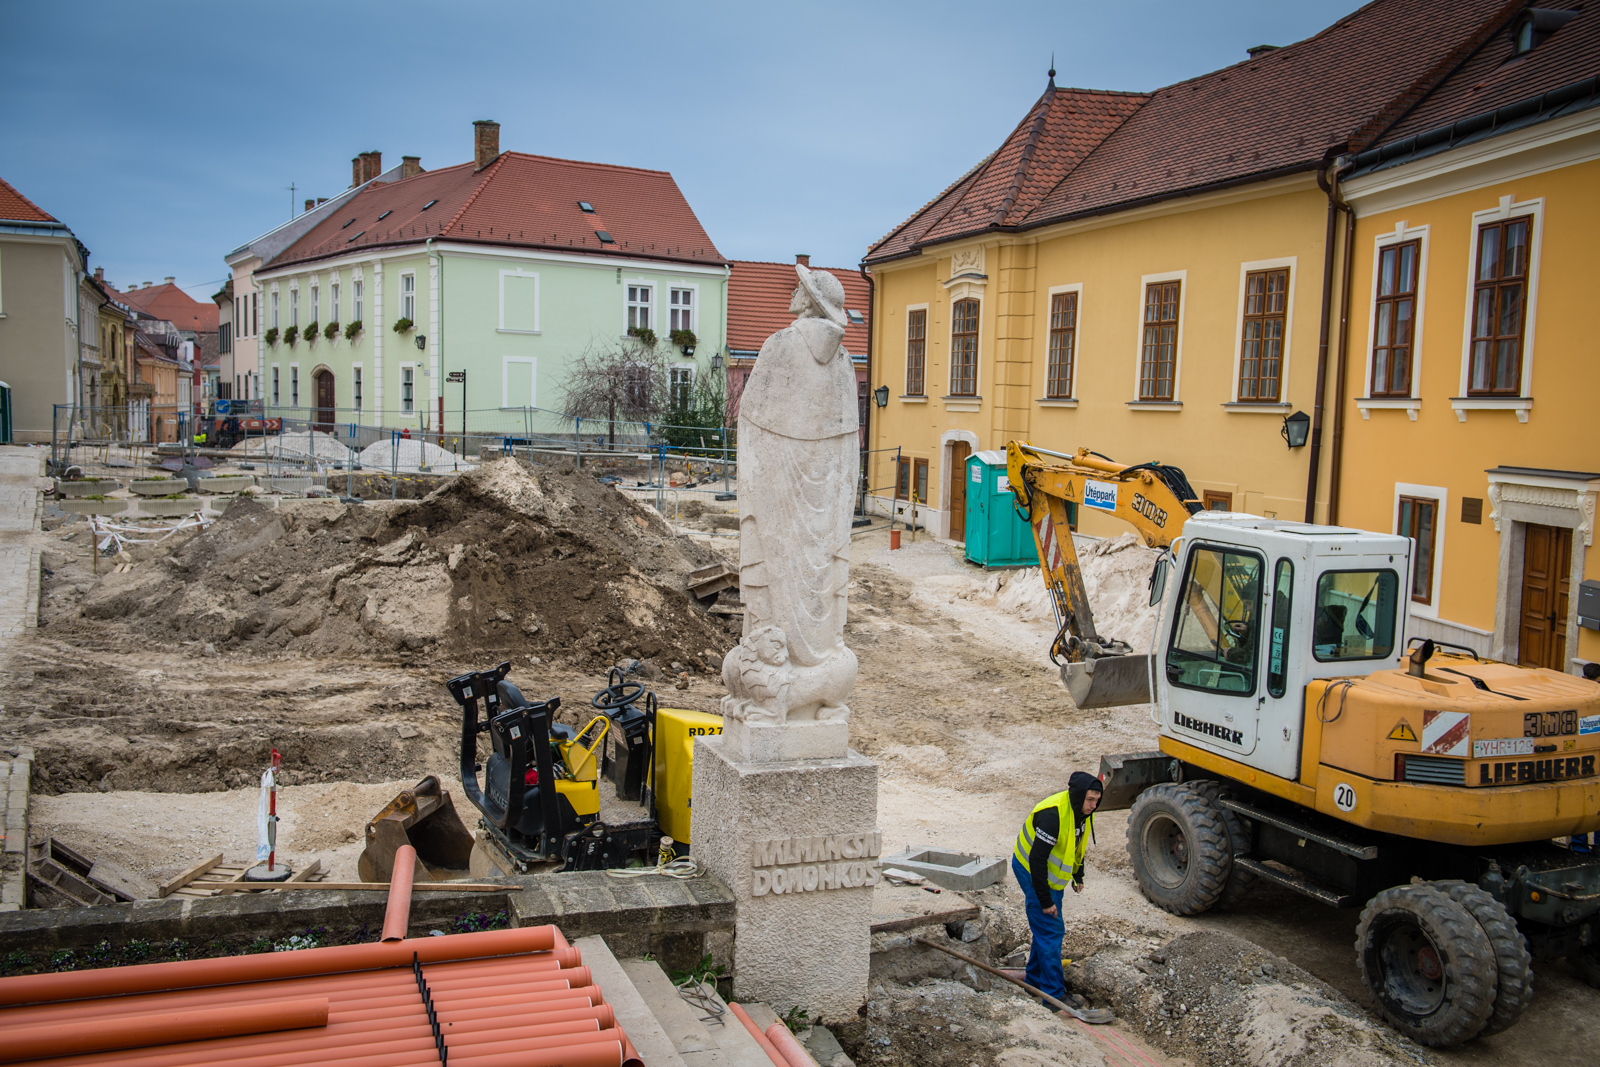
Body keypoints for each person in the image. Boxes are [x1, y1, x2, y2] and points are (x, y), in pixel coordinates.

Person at [1012, 771, 1102, 1007]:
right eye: (1090, 800)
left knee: (1046, 929)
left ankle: (1033, 980)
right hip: (1032, 871)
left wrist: (1078, 873)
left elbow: (1077, 844)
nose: (1094, 806)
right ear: (1079, 796)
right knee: (1051, 930)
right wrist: (1044, 901)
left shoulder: (1082, 812)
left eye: (1096, 800)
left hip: (1050, 877)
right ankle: (1053, 995)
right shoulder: (1053, 815)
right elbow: (1037, 860)